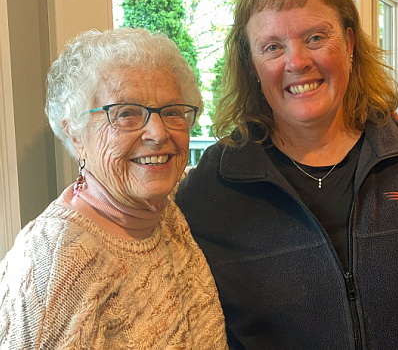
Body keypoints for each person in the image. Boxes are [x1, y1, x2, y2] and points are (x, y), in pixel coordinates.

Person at [176, 0, 398, 350]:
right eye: (273, 47)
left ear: (349, 44)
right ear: (252, 65)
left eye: (315, 37)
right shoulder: (213, 184)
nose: (297, 62)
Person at [0, 28, 228, 349]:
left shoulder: (167, 215)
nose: (158, 133)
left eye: (172, 112)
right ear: (76, 135)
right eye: (126, 114)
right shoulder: (55, 263)